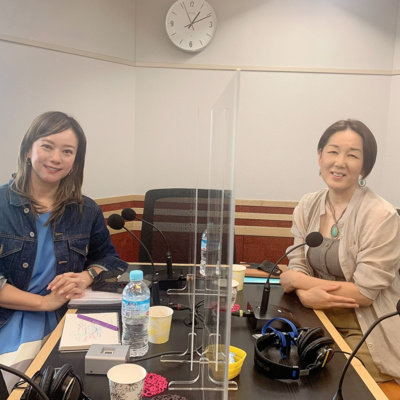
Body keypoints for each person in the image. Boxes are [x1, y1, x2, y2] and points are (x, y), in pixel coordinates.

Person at [0, 111, 127, 392]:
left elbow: (110, 259)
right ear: (28, 150)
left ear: (75, 162)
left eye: (67, 151)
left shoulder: (87, 210)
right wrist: (44, 302)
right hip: (9, 319)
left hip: (66, 320)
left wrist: (87, 276)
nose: (56, 158)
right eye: (47, 146)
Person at [280, 119, 400, 387]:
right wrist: (306, 296)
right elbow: (297, 262)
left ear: (365, 166)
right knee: (281, 357)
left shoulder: (382, 216)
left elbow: (364, 294)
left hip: (368, 326)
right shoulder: (307, 205)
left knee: (329, 376)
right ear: (320, 156)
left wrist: (298, 282)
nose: (340, 162)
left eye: (352, 155)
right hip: (317, 314)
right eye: (333, 151)